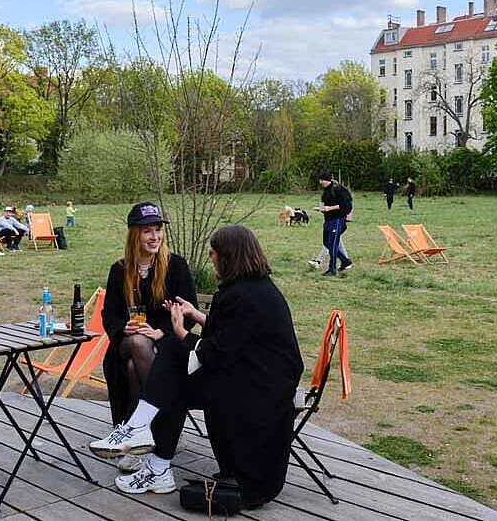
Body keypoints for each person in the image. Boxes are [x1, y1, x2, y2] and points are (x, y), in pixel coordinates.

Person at [89, 225, 303, 508]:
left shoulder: (243, 296)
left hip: (260, 389)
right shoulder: (253, 288)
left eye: (213, 253)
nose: (211, 258)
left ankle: (148, 445)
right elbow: (232, 337)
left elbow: (217, 353)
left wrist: (181, 332)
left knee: (174, 356)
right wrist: (197, 316)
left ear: (228, 256)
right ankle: (152, 454)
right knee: (173, 370)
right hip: (250, 376)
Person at [98, 202, 197, 473]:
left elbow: (187, 309)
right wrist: (123, 328)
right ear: (134, 236)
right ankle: (162, 425)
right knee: (138, 344)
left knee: (134, 367)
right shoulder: (119, 270)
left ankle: (138, 435)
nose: (155, 237)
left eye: (157, 230)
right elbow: (110, 314)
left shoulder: (175, 265)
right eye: (147, 231)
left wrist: (161, 331)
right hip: (128, 342)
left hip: (165, 343)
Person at [315, 173, 353, 277]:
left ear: (327, 180)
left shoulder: (339, 189)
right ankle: (345, 261)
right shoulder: (325, 191)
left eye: (322, 180)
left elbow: (345, 205)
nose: (320, 182)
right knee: (327, 243)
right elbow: (324, 204)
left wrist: (329, 208)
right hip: (327, 220)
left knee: (333, 244)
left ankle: (332, 269)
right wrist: (321, 209)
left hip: (337, 220)